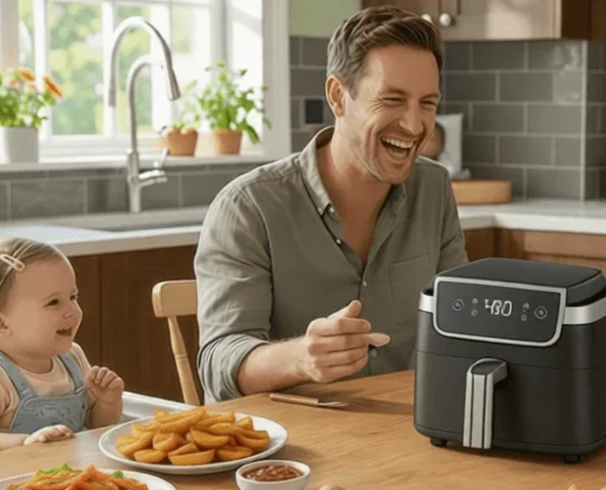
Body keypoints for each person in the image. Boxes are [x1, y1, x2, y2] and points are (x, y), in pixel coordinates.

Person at [194, 6, 467, 403]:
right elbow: (219, 365)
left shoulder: (434, 188)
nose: (413, 125)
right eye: (392, 99)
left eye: (427, 103)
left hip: (405, 436)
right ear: (339, 97)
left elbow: (457, 323)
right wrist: (301, 358)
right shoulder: (249, 207)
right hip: (289, 451)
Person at [0, 238, 124, 451]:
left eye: (73, 296)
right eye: (53, 302)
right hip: (12, 481)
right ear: (1, 323)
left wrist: (107, 403)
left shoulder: (73, 357)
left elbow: (96, 427)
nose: (72, 310)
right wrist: (24, 442)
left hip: (72, 477)